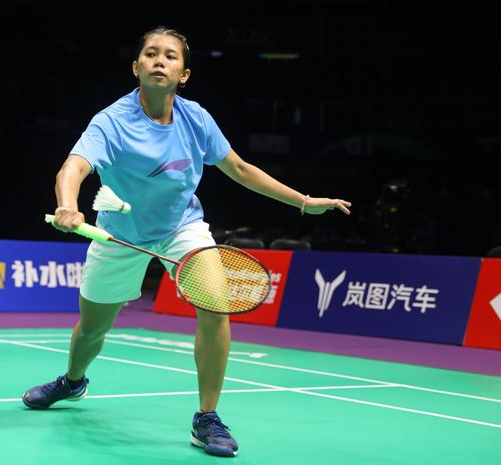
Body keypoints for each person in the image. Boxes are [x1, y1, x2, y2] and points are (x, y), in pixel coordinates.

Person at [22, 26, 352, 458]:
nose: (160, 61)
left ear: (184, 73)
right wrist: (67, 204)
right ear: (136, 67)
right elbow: (73, 168)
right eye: (151, 54)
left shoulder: (197, 119)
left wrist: (305, 202)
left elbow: (239, 168)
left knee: (215, 307)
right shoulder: (112, 121)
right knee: (93, 328)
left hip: (183, 227)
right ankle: (73, 381)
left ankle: (207, 417)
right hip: (119, 233)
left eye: (171, 56)